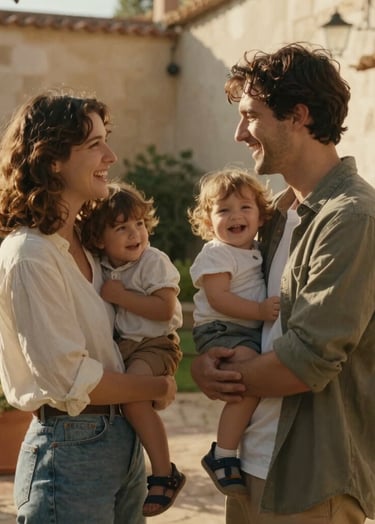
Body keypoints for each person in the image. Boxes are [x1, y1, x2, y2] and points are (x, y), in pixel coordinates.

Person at [191, 42, 375, 524]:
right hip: (250, 465)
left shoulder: (351, 218)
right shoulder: (276, 216)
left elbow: (307, 361)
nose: (239, 132)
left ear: (297, 115)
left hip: (311, 481)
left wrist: (214, 377)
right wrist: (212, 357)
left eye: (251, 115)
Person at [0, 90, 177, 524]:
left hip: (121, 438)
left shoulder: (91, 245)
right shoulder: (30, 255)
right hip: (69, 449)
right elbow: (70, 379)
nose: (111, 155)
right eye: (94, 144)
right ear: (53, 159)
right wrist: (157, 388)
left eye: (107, 139)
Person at [81, 181, 186, 517]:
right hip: (127, 347)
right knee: (123, 401)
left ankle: (163, 472)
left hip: (156, 344)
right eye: (121, 227)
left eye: (139, 224)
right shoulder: (103, 264)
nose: (134, 233)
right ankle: (135, 469)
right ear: (99, 239)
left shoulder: (152, 261)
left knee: (134, 398)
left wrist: (121, 296)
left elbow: (164, 310)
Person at [187, 168, 279, 495]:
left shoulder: (254, 249)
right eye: (223, 210)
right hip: (223, 329)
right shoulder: (217, 252)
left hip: (243, 329)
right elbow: (219, 297)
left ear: (260, 215)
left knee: (251, 382)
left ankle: (228, 450)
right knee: (247, 382)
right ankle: (222, 453)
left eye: (244, 208)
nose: (235, 216)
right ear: (209, 220)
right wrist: (259, 311)